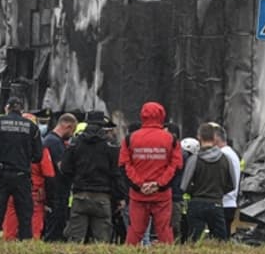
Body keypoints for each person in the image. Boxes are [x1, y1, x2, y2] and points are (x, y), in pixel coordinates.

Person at [120, 101, 182, 245]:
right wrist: (159, 184)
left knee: (134, 231)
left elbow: (124, 165)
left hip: (138, 195)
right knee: (164, 231)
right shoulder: (171, 139)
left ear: (142, 116)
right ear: (162, 115)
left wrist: (139, 185)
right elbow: (176, 166)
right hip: (162, 195)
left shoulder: (130, 139)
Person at [0, 96, 42, 240]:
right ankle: (25, 240)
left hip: (1, 174)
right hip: (22, 175)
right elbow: (38, 156)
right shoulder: (32, 127)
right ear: (21, 109)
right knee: (24, 214)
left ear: (6, 108)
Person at [61, 111, 121, 243]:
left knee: (75, 239)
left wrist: (76, 179)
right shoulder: (110, 144)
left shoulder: (75, 143)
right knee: (102, 241)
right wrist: (120, 197)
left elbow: (65, 168)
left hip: (80, 194)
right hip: (102, 197)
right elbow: (116, 173)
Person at [180, 124, 238, 242]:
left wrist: (194, 192)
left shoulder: (194, 159)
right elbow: (232, 184)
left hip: (196, 203)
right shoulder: (225, 159)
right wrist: (218, 192)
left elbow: (184, 185)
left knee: (196, 241)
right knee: (220, 243)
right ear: (214, 137)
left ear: (199, 137)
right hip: (216, 203)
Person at [3, 112, 56, 241]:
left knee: (10, 226)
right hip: (34, 193)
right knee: (33, 230)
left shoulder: (5, 146)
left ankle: (7, 248)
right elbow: (49, 174)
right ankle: (30, 248)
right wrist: (51, 199)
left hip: (11, 189)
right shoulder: (40, 148)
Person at [43, 113, 78, 241]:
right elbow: (62, 167)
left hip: (54, 190)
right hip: (57, 190)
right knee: (56, 227)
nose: (72, 134)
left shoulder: (49, 140)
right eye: (73, 130)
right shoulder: (55, 142)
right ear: (67, 126)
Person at [211, 123, 243, 235]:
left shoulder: (222, 155)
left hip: (222, 203)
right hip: (229, 203)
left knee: (218, 240)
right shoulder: (231, 153)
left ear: (216, 138)